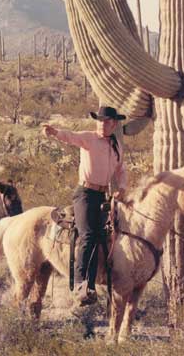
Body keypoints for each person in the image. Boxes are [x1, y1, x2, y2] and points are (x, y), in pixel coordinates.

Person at [42, 106, 127, 306]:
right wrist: (54, 132)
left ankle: (96, 284)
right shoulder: (88, 138)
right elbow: (70, 136)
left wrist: (122, 188)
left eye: (106, 121)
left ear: (114, 124)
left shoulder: (116, 146)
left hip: (103, 196)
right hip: (85, 194)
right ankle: (80, 284)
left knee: (105, 236)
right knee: (88, 235)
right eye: (100, 120)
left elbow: (121, 170)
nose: (102, 124)